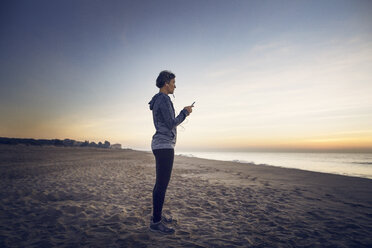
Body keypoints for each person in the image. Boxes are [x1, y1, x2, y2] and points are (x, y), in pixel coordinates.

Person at [148, 70, 193, 234]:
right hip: (164, 146)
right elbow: (170, 123)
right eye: (173, 82)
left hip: (161, 145)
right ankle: (156, 223)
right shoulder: (163, 98)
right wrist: (185, 112)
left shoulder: (159, 99)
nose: (175, 85)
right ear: (166, 83)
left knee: (160, 184)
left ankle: (156, 216)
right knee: (161, 185)